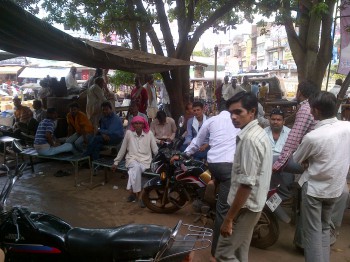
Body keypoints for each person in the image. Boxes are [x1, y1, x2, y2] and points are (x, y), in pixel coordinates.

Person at [293, 91, 350, 262]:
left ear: (316, 111)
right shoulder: (347, 127)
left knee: (312, 233)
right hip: (336, 187)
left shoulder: (313, 137)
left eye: (311, 109)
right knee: (325, 228)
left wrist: (308, 161)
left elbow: (297, 159)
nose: (309, 112)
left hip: (315, 190)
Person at [215, 92, 272, 262]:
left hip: (245, 208)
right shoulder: (257, 133)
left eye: (238, 112)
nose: (233, 117)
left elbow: (246, 185)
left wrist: (229, 218)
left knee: (223, 253)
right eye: (231, 113)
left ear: (252, 112)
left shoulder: (250, 139)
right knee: (239, 252)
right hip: (252, 205)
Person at [183, 109, 240, 260]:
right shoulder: (239, 121)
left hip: (214, 165)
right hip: (230, 166)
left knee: (223, 208)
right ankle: (216, 253)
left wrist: (185, 154)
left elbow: (196, 141)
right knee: (224, 209)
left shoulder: (211, 121)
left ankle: (214, 188)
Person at [111, 116, 158, 207]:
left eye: (140, 123)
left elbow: (155, 150)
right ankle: (140, 196)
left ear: (143, 124)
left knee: (134, 171)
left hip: (145, 161)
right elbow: (123, 148)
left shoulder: (149, 134)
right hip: (132, 159)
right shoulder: (129, 133)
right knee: (135, 168)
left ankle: (132, 193)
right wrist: (116, 162)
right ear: (133, 125)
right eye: (136, 123)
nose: (138, 125)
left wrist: (160, 160)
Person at [264, 108, 292, 200]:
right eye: (273, 119)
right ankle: (273, 202)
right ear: (269, 120)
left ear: (283, 121)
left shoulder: (290, 133)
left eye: (278, 120)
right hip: (266, 166)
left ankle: (271, 202)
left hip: (285, 166)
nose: (275, 122)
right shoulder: (262, 133)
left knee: (285, 183)